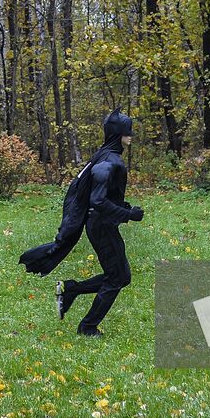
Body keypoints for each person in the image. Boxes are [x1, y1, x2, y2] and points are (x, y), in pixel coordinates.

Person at [55, 109, 144, 337]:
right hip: (101, 226)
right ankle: (87, 326)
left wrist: (123, 208)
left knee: (121, 276)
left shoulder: (104, 155)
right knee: (117, 278)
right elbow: (98, 200)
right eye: (127, 132)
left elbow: (105, 197)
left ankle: (71, 289)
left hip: (103, 225)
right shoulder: (110, 162)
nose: (130, 136)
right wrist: (129, 215)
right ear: (118, 134)